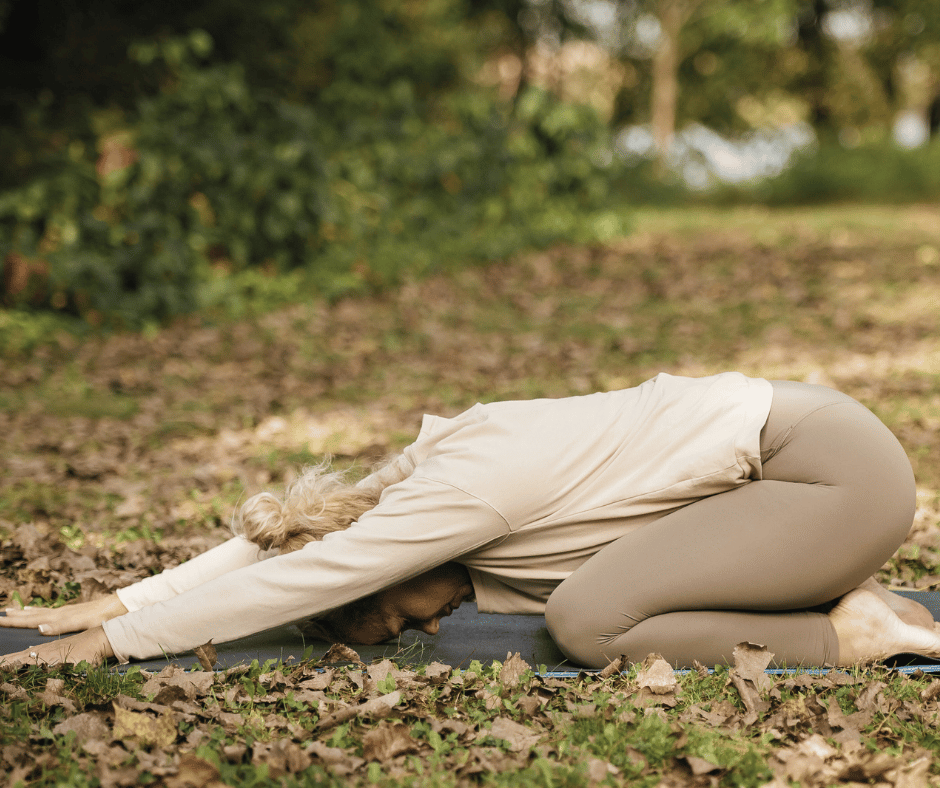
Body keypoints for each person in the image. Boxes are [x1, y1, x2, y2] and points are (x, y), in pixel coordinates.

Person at [3, 372, 940, 670]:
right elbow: (286, 535)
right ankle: (829, 594)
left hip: (830, 474)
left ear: (377, 569)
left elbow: (308, 572)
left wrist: (121, 644)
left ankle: (850, 632)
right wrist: (121, 597)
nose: (429, 624)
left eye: (395, 614)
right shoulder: (410, 485)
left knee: (586, 620)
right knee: (593, 602)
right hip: (805, 467)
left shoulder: (454, 500)